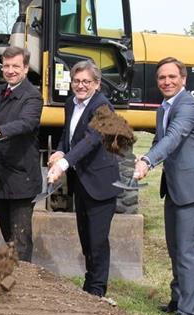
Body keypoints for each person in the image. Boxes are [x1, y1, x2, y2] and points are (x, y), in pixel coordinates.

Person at [134, 57, 194, 315]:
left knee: (187, 252)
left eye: (171, 77)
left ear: (183, 79)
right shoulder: (164, 108)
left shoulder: (189, 107)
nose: (166, 82)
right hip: (175, 187)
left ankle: (187, 314)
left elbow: (174, 137)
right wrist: (139, 156)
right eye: (161, 78)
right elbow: (159, 141)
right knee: (175, 248)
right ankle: (177, 299)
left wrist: (147, 162)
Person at [47, 60, 121, 297]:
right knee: (86, 237)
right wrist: (60, 150)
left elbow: (91, 140)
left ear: (97, 84)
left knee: (98, 240)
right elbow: (68, 136)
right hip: (82, 182)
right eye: (76, 81)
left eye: (86, 81)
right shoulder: (71, 104)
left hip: (101, 183)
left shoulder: (103, 108)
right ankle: (89, 287)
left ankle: (97, 291)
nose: (80, 86)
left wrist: (63, 163)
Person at [0, 46, 42, 262]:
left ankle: (23, 283)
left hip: (21, 177)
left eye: (15, 66)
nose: (10, 71)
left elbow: (25, 124)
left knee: (20, 239)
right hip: (0, 176)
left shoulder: (32, 97)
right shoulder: (0, 91)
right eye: (7, 66)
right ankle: (12, 277)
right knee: (9, 237)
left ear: (25, 68)